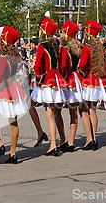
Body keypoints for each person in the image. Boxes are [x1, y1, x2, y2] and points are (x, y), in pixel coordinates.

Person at [0, 26, 28, 164]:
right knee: (13, 123)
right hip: (13, 88)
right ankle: (13, 152)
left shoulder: (2, 58)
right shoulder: (15, 56)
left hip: (3, 90)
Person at [31, 17, 67, 156]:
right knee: (54, 111)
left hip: (46, 78)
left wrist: (38, 76)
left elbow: (39, 64)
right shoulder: (56, 44)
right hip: (56, 77)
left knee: (48, 111)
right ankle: (59, 139)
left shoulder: (42, 46)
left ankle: (51, 143)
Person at [78, 20, 106, 150]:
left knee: (83, 110)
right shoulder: (101, 47)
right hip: (97, 80)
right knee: (93, 110)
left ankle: (89, 139)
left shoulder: (87, 47)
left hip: (88, 80)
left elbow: (83, 64)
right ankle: (94, 138)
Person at [58, 20, 82, 152]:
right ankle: (71, 141)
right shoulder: (78, 48)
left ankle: (63, 139)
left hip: (67, 79)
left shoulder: (64, 50)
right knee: (73, 112)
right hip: (76, 79)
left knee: (57, 110)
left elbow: (63, 67)